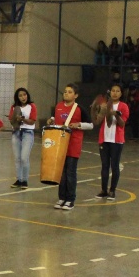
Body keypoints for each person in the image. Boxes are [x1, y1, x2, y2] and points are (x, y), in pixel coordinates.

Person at [48, 83, 92, 211]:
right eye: (65, 91)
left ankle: (70, 199)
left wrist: (79, 124)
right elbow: (55, 118)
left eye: (70, 92)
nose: (66, 93)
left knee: (70, 173)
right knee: (61, 173)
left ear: (76, 95)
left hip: (73, 144)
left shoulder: (79, 109)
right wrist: (51, 120)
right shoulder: (58, 107)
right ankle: (61, 198)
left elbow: (90, 125)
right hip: (60, 145)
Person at [94, 83, 128, 200]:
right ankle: (103, 190)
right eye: (113, 90)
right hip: (104, 139)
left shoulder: (123, 106)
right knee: (104, 165)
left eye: (117, 91)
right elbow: (97, 120)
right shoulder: (105, 105)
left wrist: (116, 115)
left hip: (116, 140)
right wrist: (96, 110)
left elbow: (122, 124)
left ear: (121, 93)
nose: (114, 93)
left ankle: (112, 190)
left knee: (114, 165)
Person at [8, 87, 36, 189]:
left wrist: (23, 120)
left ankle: (25, 180)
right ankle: (18, 179)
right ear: (17, 97)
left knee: (24, 157)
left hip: (27, 133)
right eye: (20, 95)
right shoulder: (14, 107)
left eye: (24, 94)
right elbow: (11, 120)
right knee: (17, 158)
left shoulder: (31, 106)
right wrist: (15, 119)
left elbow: (32, 120)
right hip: (16, 132)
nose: (23, 97)